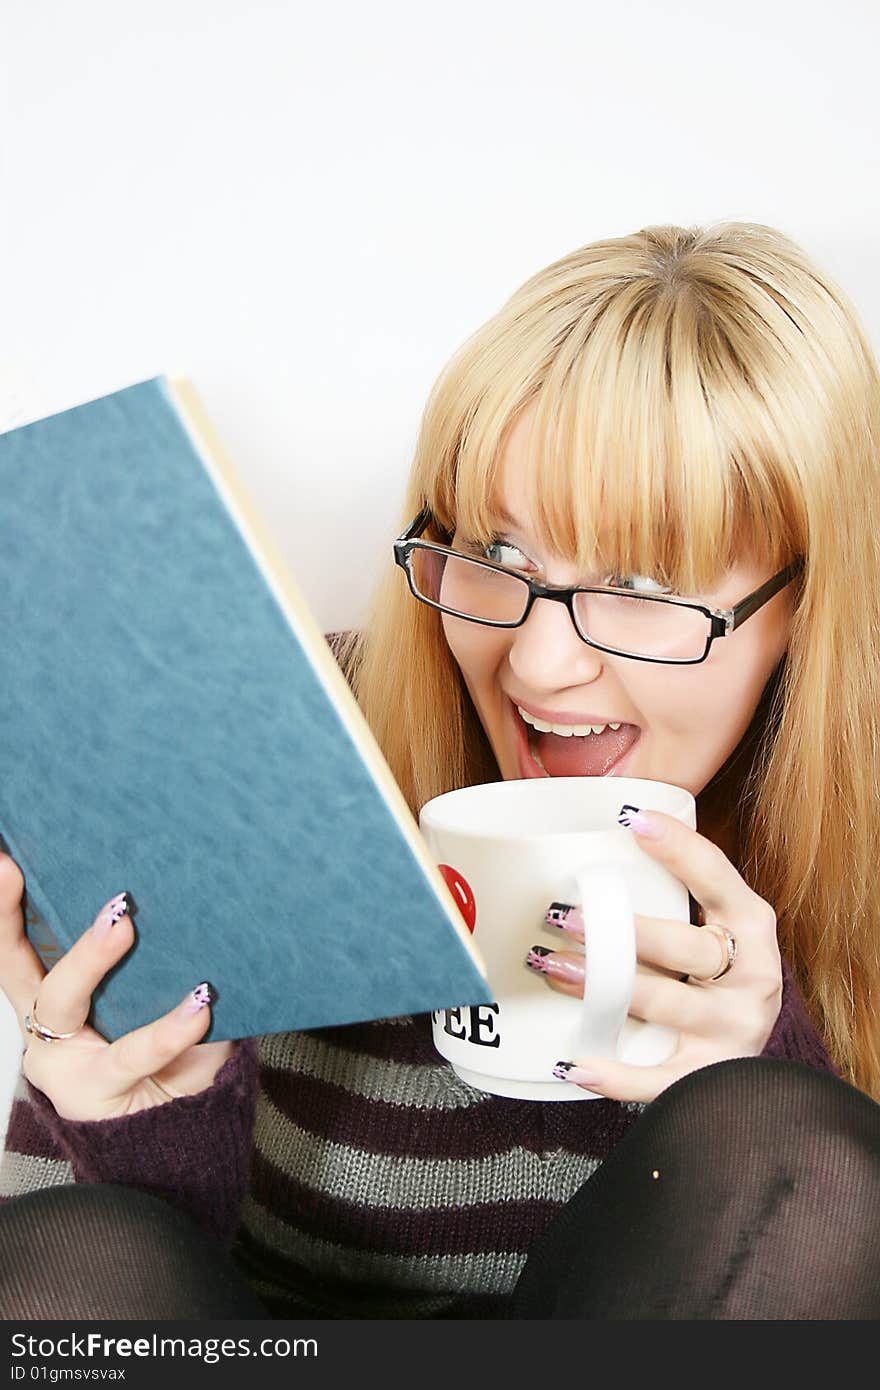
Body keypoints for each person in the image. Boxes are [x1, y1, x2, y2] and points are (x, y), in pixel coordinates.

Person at [1, 221, 879, 1321]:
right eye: (496, 557)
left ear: (805, 610)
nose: (540, 662)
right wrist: (146, 1137)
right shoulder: (260, 741)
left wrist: (767, 1066)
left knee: (791, 1156)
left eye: (645, 586)